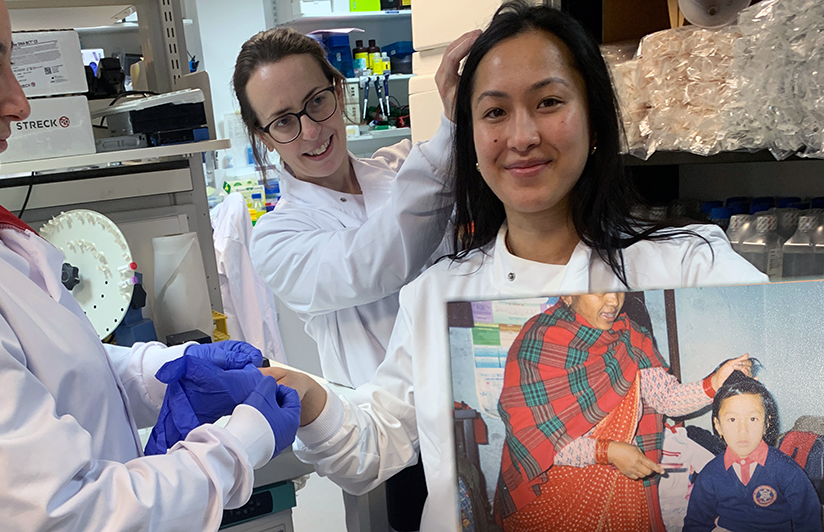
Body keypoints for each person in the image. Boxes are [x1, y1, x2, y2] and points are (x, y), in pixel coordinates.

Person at [260, 3, 769, 531]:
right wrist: (311, 398)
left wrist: (715, 383)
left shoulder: (687, 260)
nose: (522, 136)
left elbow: (664, 393)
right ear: (472, 140)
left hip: (624, 502)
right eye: (495, 112)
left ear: (593, 116)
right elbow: (374, 446)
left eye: (549, 102)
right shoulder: (438, 296)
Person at [0, 0, 299, 530]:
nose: (19, 102)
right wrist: (242, 442)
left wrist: (161, 373)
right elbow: (70, 515)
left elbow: (42, 371)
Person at [234, 27, 468, 389]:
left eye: (316, 102)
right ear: (264, 136)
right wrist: (451, 129)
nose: (311, 131)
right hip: (390, 429)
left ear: (338, 93)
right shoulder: (275, 240)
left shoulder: (403, 165)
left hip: (472, 388)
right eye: (283, 121)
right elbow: (375, 260)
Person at [494, 293, 750, 531]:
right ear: (568, 293)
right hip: (556, 493)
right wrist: (608, 451)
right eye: (598, 289)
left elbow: (667, 399)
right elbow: (533, 440)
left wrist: (715, 382)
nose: (613, 300)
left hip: (621, 486)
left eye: (617, 288)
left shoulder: (631, 338)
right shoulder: (539, 342)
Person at [684, 372, 822, 532]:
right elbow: (695, 524)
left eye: (753, 419)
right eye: (732, 420)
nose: (743, 430)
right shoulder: (710, 474)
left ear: (766, 423)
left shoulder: (787, 471)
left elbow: (809, 521)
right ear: (718, 425)